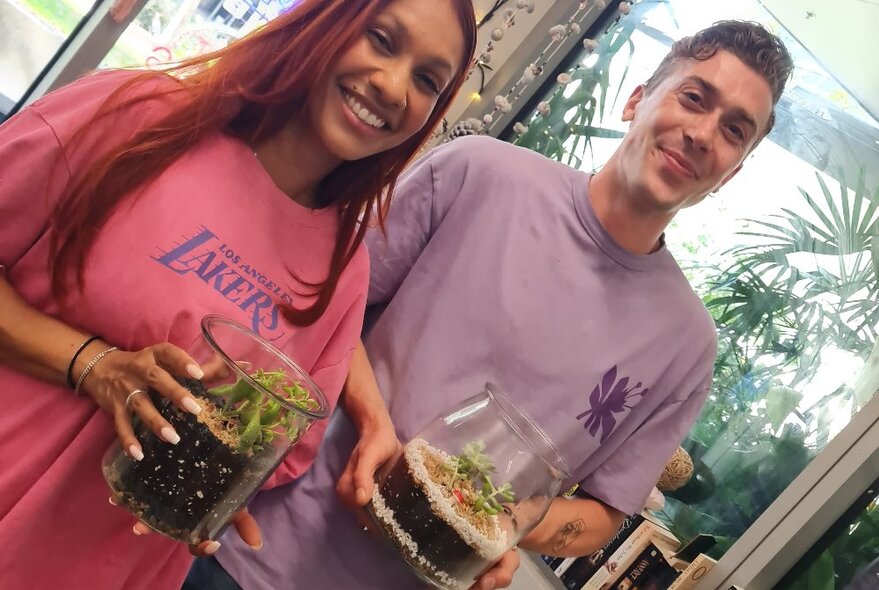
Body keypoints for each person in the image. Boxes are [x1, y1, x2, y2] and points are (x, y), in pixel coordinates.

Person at [195, 19, 793, 590]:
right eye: (693, 98)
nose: (702, 133)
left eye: (735, 130)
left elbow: (605, 513)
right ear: (637, 98)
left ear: (731, 175)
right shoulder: (479, 172)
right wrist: (375, 422)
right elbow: (321, 303)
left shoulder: (686, 346)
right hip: (248, 540)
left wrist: (509, 526)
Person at [0, 0, 476, 587]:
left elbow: (282, 451)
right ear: (323, 20)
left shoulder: (342, 270)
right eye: (381, 39)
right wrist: (93, 364)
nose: (394, 85)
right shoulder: (138, 114)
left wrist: (218, 484)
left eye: (428, 80)